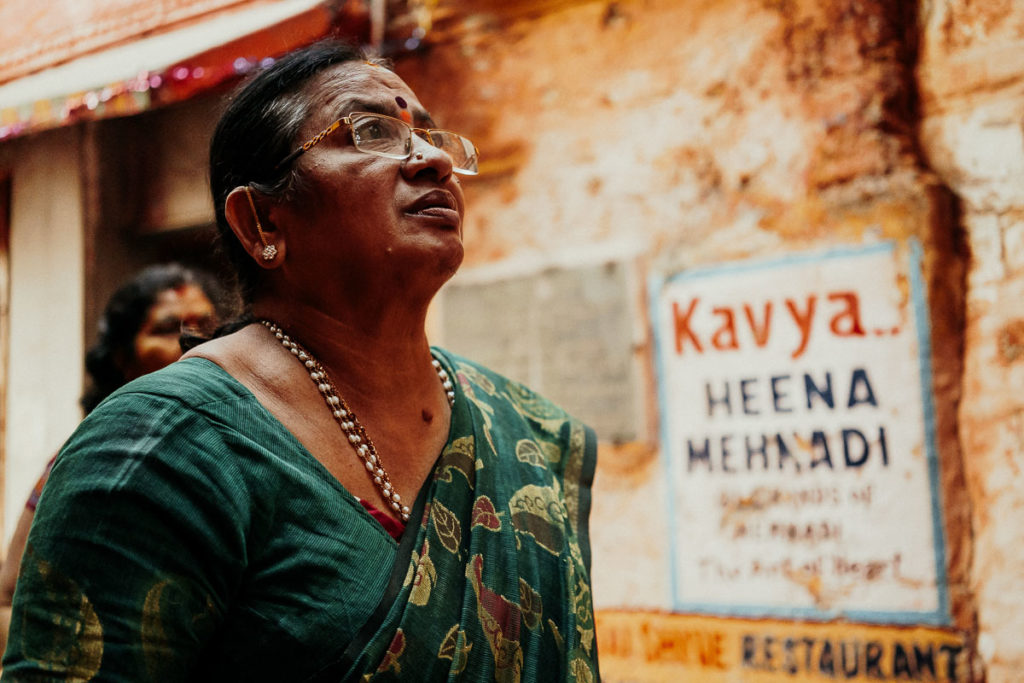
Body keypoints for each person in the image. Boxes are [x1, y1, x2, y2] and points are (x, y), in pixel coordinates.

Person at [3, 41, 598, 682]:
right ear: (261, 221)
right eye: (371, 131)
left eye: (431, 136)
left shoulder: (526, 433)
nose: (430, 160)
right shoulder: (160, 450)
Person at [0, 262, 220, 659]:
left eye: (207, 325)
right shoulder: (87, 456)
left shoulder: (233, 446)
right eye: (168, 329)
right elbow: (10, 596)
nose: (194, 342)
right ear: (122, 357)